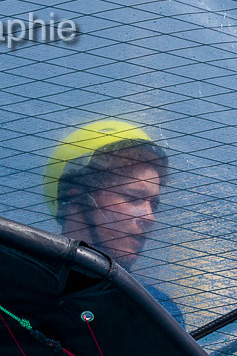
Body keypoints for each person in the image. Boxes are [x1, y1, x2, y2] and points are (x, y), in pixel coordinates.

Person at [44, 119, 183, 321]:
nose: (149, 217)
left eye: (154, 204)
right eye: (133, 198)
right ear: (76, 198)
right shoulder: (8, 290)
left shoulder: (158, 312)